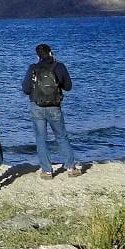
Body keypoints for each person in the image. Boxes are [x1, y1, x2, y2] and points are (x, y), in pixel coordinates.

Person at [21, 43, 81, 179]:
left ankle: (47, 171)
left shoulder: (33, 68)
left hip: (37, 106)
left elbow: (25, 89)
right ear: (51, 52)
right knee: (61, 136)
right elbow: (68, 87)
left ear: (37, 56)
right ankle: (71, 168)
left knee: (41, 138)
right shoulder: (59, 66)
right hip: (54, 106)